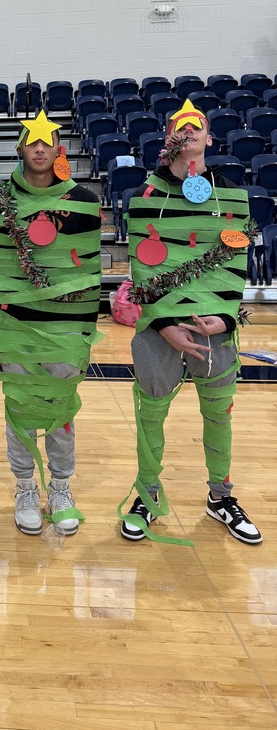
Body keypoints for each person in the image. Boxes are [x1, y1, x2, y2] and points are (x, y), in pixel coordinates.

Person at [120, 99, 262, 545]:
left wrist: (226, 318)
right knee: (151, 414)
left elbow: (234, 259)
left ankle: (221, 497)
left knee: (219, 414)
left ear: (209, 139)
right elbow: (140, 264)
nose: (188, 132)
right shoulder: (145, 196)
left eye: (196, 126)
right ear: (168, 140)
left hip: (215, 326)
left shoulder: (229, 193)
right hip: (159, 329)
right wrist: (163, 323)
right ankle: (147, 495)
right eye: (179, 127)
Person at [0, 111, 102, 536]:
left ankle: (61, 488)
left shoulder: (82, 200)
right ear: (19, 148)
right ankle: (26, 487)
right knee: (20, 408)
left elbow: (91, 272)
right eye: (32, 141)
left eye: (47, 141)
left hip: (65, 329)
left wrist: (84, 335)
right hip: (13, 327)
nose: (40, 148)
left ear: (59, 149)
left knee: (61, 409)